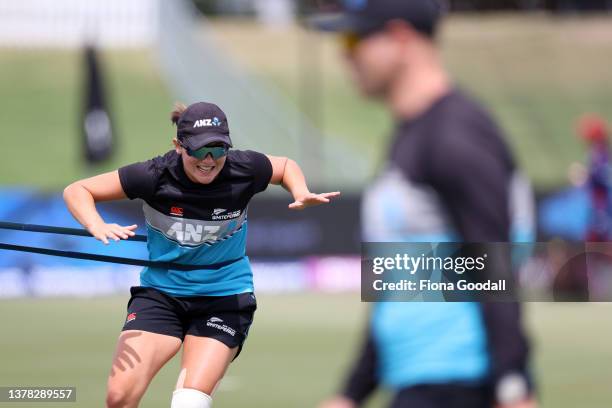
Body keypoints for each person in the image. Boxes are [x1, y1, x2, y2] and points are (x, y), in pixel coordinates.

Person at [313, 1, 536, 407]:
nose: (345, 54)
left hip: (462, 383)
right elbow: (402, 287)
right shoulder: (412, 135)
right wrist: (352, 392)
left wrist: (514, 384)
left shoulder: (454, 135)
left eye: (354, 39)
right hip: (420, 382)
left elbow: (493, 267)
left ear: (400, 38)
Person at [63, 101, 340, 408]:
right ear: (179, 146)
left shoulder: (244, 168)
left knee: (189, 402)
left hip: (224, 297)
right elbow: (78, 190)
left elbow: (285, 166)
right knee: (119, 397)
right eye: (199, 150)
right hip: (161, 295)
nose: (209, 160)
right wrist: (95, 223)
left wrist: (299, 191)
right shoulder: (153, 175)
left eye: (219, 149)